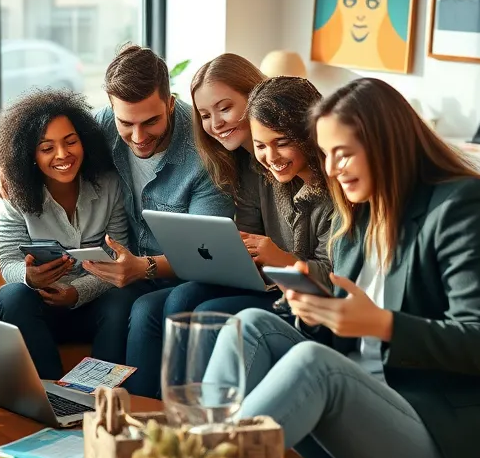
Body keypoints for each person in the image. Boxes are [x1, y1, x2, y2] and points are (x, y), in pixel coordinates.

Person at [206, 77, 480, 458]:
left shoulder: (466, 208)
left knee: (312, 364)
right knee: (249, 325)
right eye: (325, 154)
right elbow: (346, 337)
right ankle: (197, 452)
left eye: (343, 154)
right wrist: (314, 312)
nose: (332, 169)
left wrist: (381, 324)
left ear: (387, 144)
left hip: (447, 449)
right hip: (363, 431)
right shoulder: (359, 219)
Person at [123, 56, 333, 396]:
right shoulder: (248, 165)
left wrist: (276, 256)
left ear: (255, 100)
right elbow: (250, 238)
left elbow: (329, 273)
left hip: (299, 290)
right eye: (205, 115)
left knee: (201, 309)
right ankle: (149, 414)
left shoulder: (314, 178)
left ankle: (192, 417)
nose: (216, 123)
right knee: (166, 302)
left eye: (225, 109)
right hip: (268, 279)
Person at [0, 43, 234, 309]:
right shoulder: (102, 126)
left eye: (151, 121)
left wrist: (143, 267)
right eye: (126, 123)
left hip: (181, 275)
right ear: (111, 109)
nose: (139, 137)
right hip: (130, 274)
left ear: (171, 104)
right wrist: (13, 167)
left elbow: (207, 253)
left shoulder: (205, 153)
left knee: (148, 306)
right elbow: (54, 144)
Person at [0, 89, 139, 378]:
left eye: (71, 142)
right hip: (37, 309)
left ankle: (101, 393)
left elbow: (116, 256)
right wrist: (27, 276)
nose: (62, 155)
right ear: (30, 154)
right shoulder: (13, 192)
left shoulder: (109, 185)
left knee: (126, 296)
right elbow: (7, 259)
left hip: (90, 306)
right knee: (12, 296)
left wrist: (76, 293)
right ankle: (53, 397)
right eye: (47, 148)